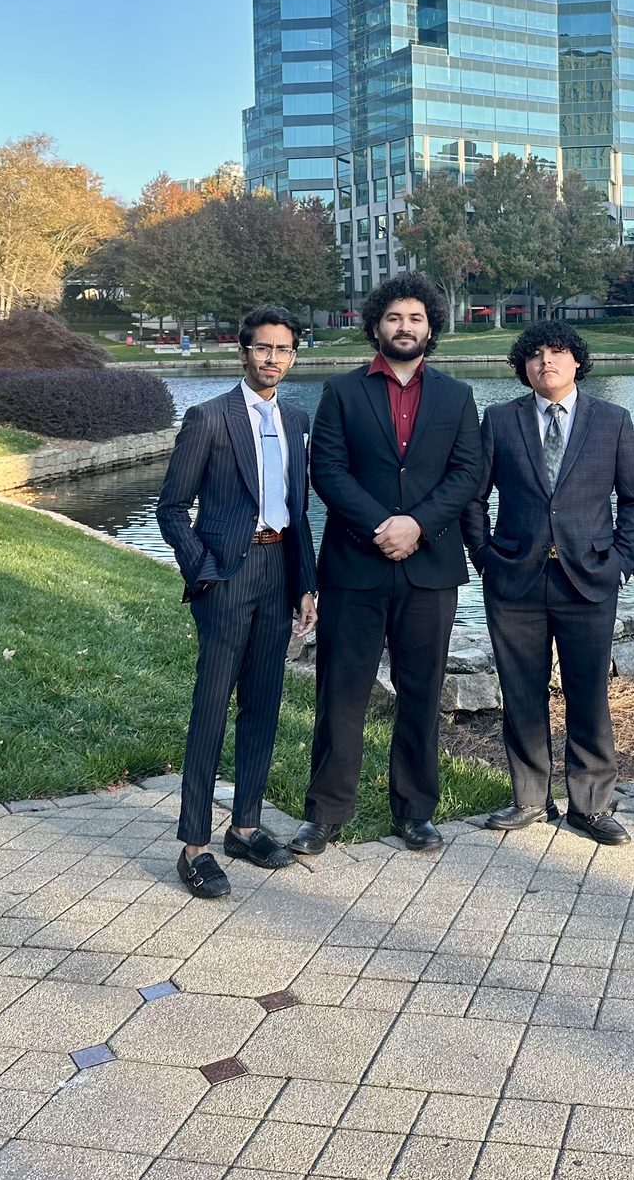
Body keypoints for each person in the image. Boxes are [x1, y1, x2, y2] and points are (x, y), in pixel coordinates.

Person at [290, 272, 481, 856]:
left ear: (431, 328)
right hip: (355, 566)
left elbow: (468, 474)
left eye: (416, 318)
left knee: (420, 692)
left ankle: (416, 811)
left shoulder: (456, 395)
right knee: (341, 692)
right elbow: (328, 471)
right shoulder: (342, 392)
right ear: (376, 326)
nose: (405, 327)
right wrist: (381, 527)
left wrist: (417, 525)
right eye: (394, 318)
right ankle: (325, 813)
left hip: (429, 568)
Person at [463, 319, 634, 845]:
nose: (546, 361)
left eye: (557, 352)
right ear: (524, 367)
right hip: (515, 579)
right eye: (536, 354)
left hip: (588, 580)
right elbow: (473, 499)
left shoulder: (612, 420)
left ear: (576, 363)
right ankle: (529, 799)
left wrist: (619, 561)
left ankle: (589, 805)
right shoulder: (500, 420)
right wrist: (484, 557)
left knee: (587, 693)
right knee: (522, 692)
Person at [156, 305, 318, 899]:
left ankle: (244, 827)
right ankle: (194, 845)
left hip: (280, 573)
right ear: (243, 351)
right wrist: (203, 571)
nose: (272, 359)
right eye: (262, 348)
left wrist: (307, 584)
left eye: (283, 350)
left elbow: (298, 511)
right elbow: (171, 509)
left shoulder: (299, 419)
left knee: (263, 703)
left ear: (294, 357)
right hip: (227, 575)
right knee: (212, 705)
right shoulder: (208, 419)